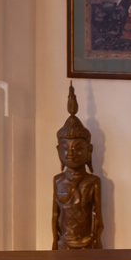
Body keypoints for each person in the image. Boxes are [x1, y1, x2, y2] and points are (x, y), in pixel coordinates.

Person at [52, 85, 103, 249]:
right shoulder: (58, 180)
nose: (71, 153)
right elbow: (55, 215)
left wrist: (97, 241)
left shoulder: (93, 181)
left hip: (86, 243)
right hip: (64, 243)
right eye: (65, 148)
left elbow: (98, 217)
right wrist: (54, 241)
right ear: (58, 150)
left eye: (77, 148)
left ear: (89, 150)